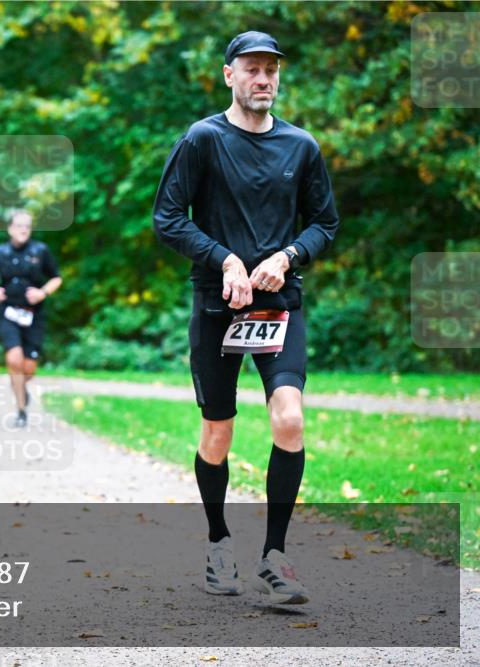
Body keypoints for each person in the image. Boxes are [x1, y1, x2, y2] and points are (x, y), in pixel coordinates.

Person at [153, 31, 340, 605]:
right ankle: (218, 540)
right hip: (217, 307)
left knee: (289, 420)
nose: (264, 80)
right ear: (229, 75)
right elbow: (168, 217)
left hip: (280, 308)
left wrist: (288, 256)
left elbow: (325, 223)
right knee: (218, 434)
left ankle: (275, 557)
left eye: (272, 71)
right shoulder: (203, 139)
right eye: (252, 70)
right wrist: (226, 259)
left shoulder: (301, 146)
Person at [0, 210, 61, 428]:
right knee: (13, 360)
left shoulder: (40, 250)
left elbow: (56, 277)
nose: (23, 229)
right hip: (8, 312)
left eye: (27, 226)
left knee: (28, 369)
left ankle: (21, 388)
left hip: (34, 315)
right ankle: (21, 411)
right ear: (10, 228)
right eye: (19, 225)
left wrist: (42, 293)